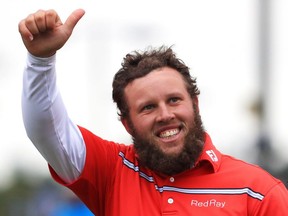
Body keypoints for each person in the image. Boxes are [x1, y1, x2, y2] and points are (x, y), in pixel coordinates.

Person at [19, 9, 288, 216]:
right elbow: (47, 130)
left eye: (174, 100)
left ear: (195, 104)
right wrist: (40, 61)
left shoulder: (259, 191)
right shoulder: (113, 170)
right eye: (147, 107)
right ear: (127, 123)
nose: (165, 114)